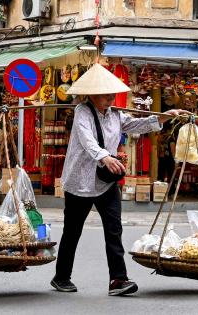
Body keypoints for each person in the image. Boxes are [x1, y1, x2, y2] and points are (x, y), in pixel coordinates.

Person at [50, 63, 187, 296]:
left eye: (112, 94)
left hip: (106, 181)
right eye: (106, 95)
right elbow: (86, 139)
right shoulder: (82, 112)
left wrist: (163, 117)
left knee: (114, 229)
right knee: (73, 231)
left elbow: (135, 124)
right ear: (92, 95)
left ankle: (118, 280)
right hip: (80, 181)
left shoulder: (115, 114)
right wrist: (104, 157)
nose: (111, 98)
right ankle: (61, 277)